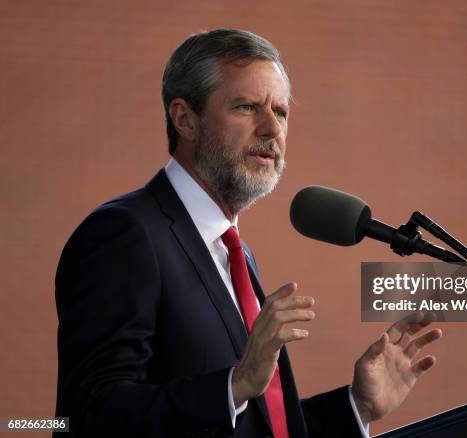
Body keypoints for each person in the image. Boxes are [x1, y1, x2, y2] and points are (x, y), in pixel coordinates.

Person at [54, 29, 443, 438]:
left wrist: (357, 406)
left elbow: (258, 424)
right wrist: (235, 385)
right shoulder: (125, 234)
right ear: (185, 119)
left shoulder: (231, 252)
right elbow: (88, 418)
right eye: (246, 107)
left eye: (281, 111)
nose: (271, 129)